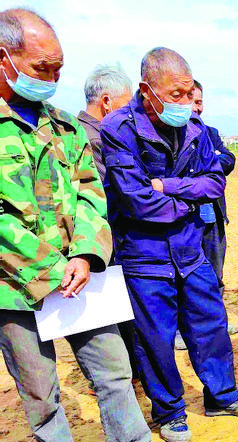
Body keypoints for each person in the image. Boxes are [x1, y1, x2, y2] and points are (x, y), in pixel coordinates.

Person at [0, 8, 171, 442]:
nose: (53, 79)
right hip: (15, 288)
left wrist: (85, 257)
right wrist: (49, 267)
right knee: (38, 383)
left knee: (112, 366)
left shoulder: (66, 128)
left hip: (81, 277)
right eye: (41, 69)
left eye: (58, 68)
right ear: (5, 59)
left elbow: (93, 192)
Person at [101, 47, 238, 442]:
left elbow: (215, 183)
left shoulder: (195, 129)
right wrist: (187, 199)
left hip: (192, 250)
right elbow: (133, 198)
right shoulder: (118, 129)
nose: (185, 102)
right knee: (154, 337)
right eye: (176, 94)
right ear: (147, 90)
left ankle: (221, 396)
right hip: (144, 255)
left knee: (210, 325)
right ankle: (170, 410)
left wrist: (169, 187)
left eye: (189, 93)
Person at [77, 64, 139, 380]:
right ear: (107, 103)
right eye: (127, 105)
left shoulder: (80, 132)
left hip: (99, 241)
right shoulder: (92, 138)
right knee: (111, 319)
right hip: (104, 241)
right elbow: (110, 189)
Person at [190, 80, 237, 337]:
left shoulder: (211, 133)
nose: (196, 108)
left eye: (199, 102)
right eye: (191, 102)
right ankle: (181, 329)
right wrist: (210, 162)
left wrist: (205, 163)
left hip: (213, 217)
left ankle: (218, 323)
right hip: (185, 219)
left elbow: (228, 160)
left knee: (215, 272)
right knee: (184, 275)